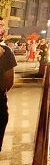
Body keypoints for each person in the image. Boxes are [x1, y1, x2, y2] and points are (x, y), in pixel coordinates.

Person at [1, 22, 16, 151]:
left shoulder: (6, 52)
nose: (3, 29)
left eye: (3, 26)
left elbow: (10, 81)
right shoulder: (5, 52)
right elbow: (9, 81)